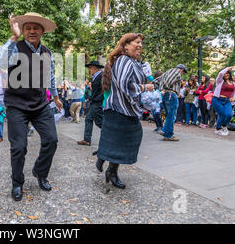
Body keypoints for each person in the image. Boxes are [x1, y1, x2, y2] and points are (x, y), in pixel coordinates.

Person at [0, 12, 63, 201]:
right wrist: (14, 37)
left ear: (42, 31)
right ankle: (17, 183)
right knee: (19, 147)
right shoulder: (15, 48)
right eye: (28, 28)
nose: (32, 31)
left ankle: (40, 172)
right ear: (23, 30)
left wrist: (56, 97)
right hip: (17, 104)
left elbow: (50, 77)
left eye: (36, 28)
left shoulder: (47, 52)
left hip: (41, 104)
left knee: (51, 140)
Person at [95, 33, 153, 189]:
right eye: (137, 42)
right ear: (125, 45)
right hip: (119, 109)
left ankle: (107, 163)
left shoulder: (133, 62)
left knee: (122, 141)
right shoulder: (124, 60)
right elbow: (124, 84)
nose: (140, 45)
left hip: (129, 109)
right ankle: (110, 169)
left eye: (141, 43)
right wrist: (144, 87)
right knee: (120, 141)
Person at [153, 64, 188, 141]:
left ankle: (165, 130)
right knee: (172, 115)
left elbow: (155, 81)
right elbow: (169, 81)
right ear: (181, 69)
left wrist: (161, 89)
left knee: (169, 115)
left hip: (166, 94)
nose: (182, 74)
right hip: (170, 93)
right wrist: (166, 88)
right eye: (183, 72)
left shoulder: (166, 72)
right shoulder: (176, 71)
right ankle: (169, 134)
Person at [78, 61, 104, 146]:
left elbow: (104, 89)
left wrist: (100, 99)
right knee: (88, 119)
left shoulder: (102, 76)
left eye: (90, 67)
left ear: (95, 68)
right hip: (94, 101)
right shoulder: (95, 76)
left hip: (98, 102)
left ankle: (112, 138)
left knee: (100, 122)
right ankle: (87, 139)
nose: (89, 70)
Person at [211, 67, 235, 136]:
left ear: (229, 74)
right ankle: (218, 129)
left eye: (227, 73)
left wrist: (234, 97)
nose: (226, 75)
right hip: (217, 99)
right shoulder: (219, 81)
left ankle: (224, 125)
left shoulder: (233, 83)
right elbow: (220, 73)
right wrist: (228, 68)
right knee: (222, 114)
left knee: (229, 114)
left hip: (227, 101)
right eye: (225, 74)